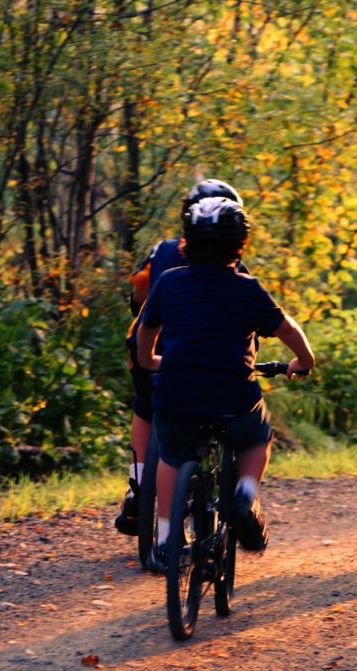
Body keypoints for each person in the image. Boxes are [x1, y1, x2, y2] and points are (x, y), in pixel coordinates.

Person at [136, 196, 315, 570]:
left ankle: (167, 540)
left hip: (178, 395)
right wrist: (304, 360)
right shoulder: (247, 288)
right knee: (257, 435)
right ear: (240, 245)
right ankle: (245, 497)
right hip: (233, 397)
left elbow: (145, 329)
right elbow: (287, 329)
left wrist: (149, 360)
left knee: (172, 455)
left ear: (187, 241)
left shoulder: (168, 283)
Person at [114, 179, 246, 536]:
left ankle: (138, 487)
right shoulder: (236, 266)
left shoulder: (162, 251)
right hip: (210, 363)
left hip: (153, 353)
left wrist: (141, 306)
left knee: (145, 407)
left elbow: (138, 288)